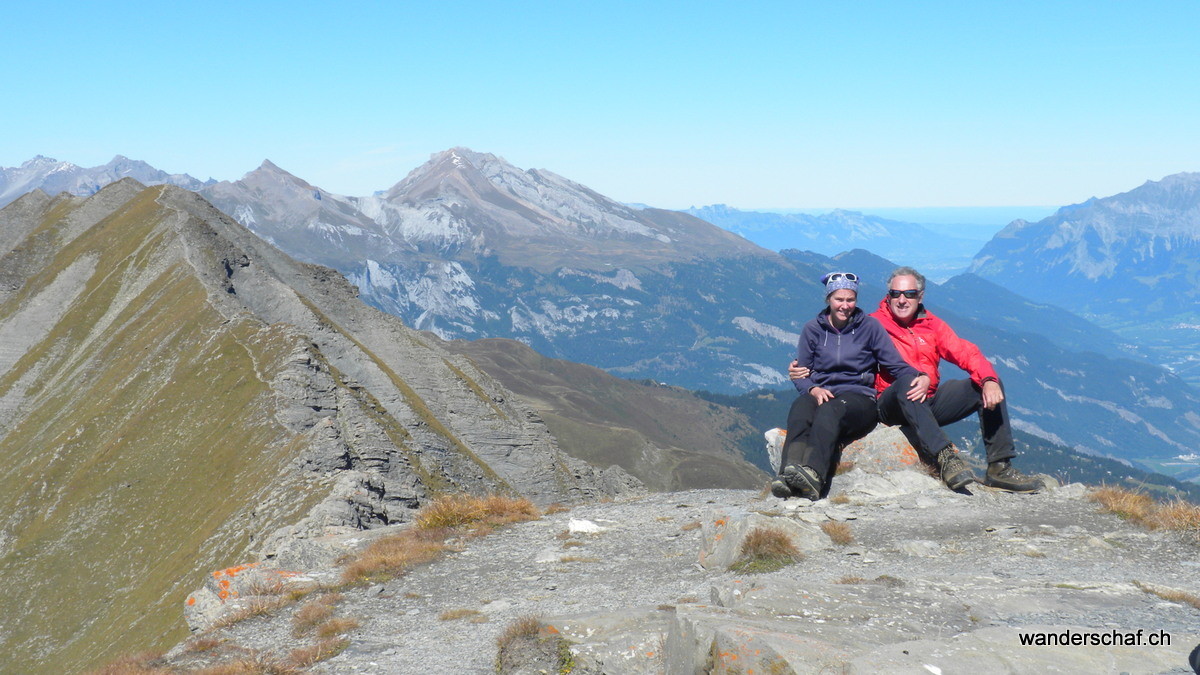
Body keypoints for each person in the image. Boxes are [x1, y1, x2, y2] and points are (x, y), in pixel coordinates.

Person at [791, 266, 1041, 492]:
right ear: (887, 296)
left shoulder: (932, 325)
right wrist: (803, 370)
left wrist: (988, 379)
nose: (901, 300)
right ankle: (945, 459)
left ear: (920, 296)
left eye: (909, 294)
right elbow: (841, 346)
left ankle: (999, 468)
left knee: (987, 384)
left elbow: (965, 352)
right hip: (891, 403)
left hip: (927, 400)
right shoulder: (874, 323)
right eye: (895, 294)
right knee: (906, 383)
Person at [773, 271, 936, 501]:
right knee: (800, 407)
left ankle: (814, 474)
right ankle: (788, 473)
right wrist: (812, 389)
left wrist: (920, 376)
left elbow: (894, 363)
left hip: (859, 398)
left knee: (831, 410)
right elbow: (801, 373)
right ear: (829, 299)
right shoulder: (813, 329)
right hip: (822, 391)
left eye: (850, 300)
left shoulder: (870, 327)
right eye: (839, 299)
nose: (845, 305)